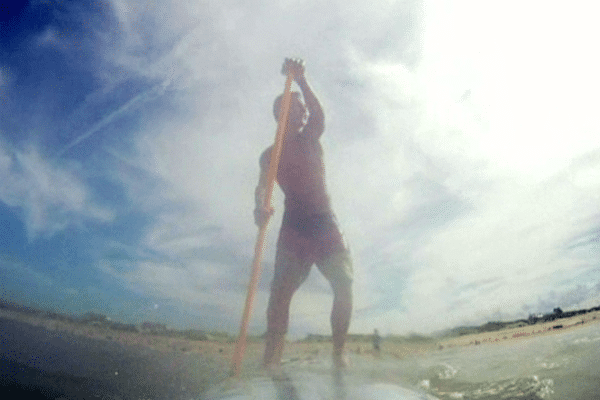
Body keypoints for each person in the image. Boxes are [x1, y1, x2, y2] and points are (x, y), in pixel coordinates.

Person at [254, 58, 353, 369]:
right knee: (279, 294)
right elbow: (261, 188)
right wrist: (259, 206)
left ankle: (339, 354)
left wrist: (302, 81)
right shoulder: (269, 155)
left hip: (325, 222)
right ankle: (271, 362)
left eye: (303, 108)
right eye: (297, 107)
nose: (305, 111)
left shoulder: (310, 136)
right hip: (293, 227)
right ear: (280, 113)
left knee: (344, 283)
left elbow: (320, 115)